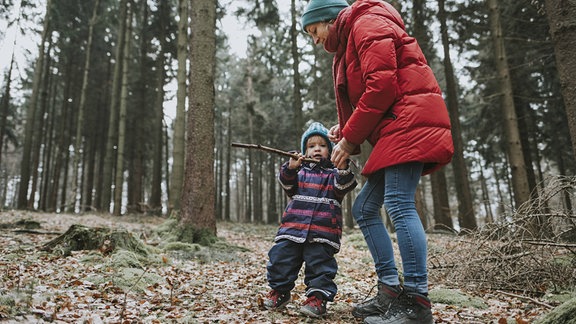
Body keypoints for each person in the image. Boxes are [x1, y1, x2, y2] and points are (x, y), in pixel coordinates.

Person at [301, 1, 454, 323]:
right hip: (397, 126)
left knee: (398, 204)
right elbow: (375, 94)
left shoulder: (367, 24)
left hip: (410, 124)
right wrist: (345, 130)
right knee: (365, 209)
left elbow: (382, 86)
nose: (314, 40)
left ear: (329, 20)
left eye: (314, 31)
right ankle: (389, 290)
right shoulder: (351, 37)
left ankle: (416, 300)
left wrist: (350, 139)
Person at [263, 122, 357, 318]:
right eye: (311, 146)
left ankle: (317, 299)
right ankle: (279, 292)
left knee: (320, 267)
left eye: (322, 145)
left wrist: (342, 166)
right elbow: (287, 186)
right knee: (281, 260)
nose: (316, 149)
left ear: (331, 150)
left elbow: (344, 186)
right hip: (292, 229)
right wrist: (289, 168)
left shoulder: (334, 174)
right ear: (305, 150)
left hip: (323, 233)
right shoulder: (299, 172)